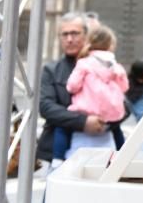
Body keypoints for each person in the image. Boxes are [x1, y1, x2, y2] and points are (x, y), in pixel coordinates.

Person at [38, 13, 107, 170]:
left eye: (75, 33)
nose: (69, 39)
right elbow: (46, 107)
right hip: (58, 149)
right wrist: (83, 122)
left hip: (99, 149)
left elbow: (123, 105)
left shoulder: (103, 66)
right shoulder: (51, 70)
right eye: (65, 34)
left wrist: (103, 120)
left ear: (86, 35)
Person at [52, 25, 128, 161]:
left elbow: (72, 86)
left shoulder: (84, 63)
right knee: (116, 135)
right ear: (111, 45)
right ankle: (125, 157)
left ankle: (57, 159)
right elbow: (124, 87)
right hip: (110, 114)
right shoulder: (115, 66)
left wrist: (73, 90)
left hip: (86, 111)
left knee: (61, 128)